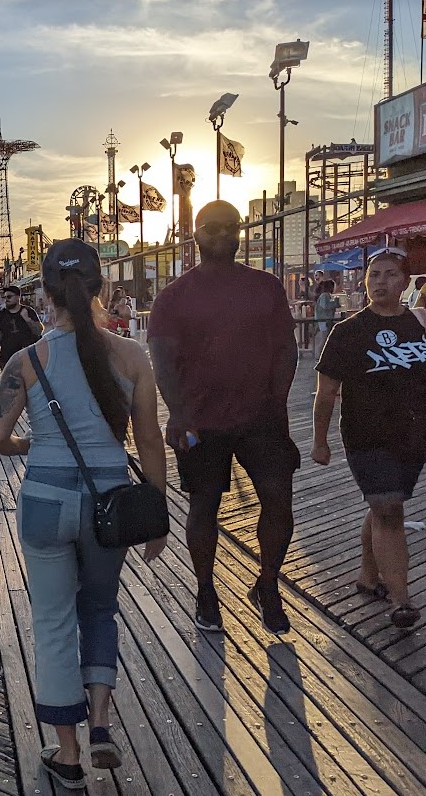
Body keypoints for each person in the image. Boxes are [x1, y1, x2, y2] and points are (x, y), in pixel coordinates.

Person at [0, 239, 167, 791]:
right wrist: (154, 512)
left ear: (44, 293)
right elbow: (152, 442)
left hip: (44, 502)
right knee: (100, 609)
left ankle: (67, 754)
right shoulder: (133, 356)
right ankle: (103, 725)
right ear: (100, 290)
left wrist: (31, 449)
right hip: (109, 506)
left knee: (54, 620)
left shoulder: (27, 360)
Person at [148, 200, 300, 636]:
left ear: (240, 232)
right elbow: (162, 360)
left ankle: (267, 582)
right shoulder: (173, 297)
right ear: (196, 234)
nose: (219, 235)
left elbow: (286, 349)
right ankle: (205, 589)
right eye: (210, 228)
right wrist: (179, 414)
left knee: (279, 503)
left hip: (262, 418)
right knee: (204, 507)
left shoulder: (266, 287)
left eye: (228, 227)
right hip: (200, 422)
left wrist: (276, 401)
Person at [312, 247, 426, 629]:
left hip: (415, 433)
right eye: (374, 275)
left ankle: (367, 575)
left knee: (384, 506)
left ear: (406, 282)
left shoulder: (420, 325)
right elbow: (326, 391)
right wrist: (319, 440)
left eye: (390, 274)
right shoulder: (347, 333)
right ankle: (400, 599)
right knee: (390, 508)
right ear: (365, 282)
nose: (380, 281)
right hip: (366, 434)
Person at [0, 285, 45, 369]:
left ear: (18, 297)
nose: (6, 300)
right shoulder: (1, 315)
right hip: (7, 358)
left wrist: (27, 319)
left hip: (28, 357)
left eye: (9, 297)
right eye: (5, 297)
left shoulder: (28, 311)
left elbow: (39, 330)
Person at [313, 279, 339, 358]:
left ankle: (321, 355)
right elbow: (325, 306)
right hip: (323, 320)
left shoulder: (325, 295)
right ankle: (318, 355)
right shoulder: (324, 295)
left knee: (325, 337)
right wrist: (335, 303)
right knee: (324, 338)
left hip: (324, 319)